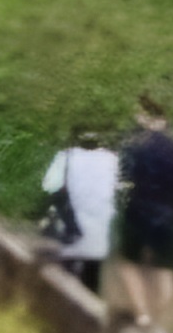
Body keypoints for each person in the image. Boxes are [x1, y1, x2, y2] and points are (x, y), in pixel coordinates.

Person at [115, 92, 173, 330]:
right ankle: (156, 322)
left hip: (139, 209)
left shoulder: (136, 144)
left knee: (128, 263)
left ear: (148, 114)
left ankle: (141, 316)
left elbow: (124, 177)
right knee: (164, 270)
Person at [39, 120, 122, 294]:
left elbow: (49, 185)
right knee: (93, 274)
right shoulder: (112, 159)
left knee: (67, 272)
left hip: (72, 222)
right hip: (101, 222)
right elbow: (119, 187)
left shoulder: (66, 157)